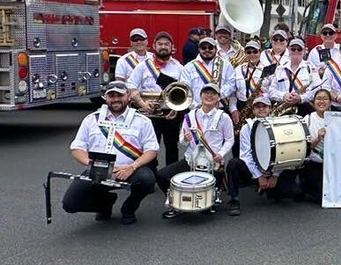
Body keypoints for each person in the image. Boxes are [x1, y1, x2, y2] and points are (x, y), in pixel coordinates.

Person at [62, 81, 158, 225]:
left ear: (128, 97)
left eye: (120, 95)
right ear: (105, 98)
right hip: (97, 169)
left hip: (128, 170)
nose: (115, 99)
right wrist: (92, 164)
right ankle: (105, 203)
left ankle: (129, 208)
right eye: (111, 95)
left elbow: (152, 150)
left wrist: (132, 166)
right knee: (70, 204)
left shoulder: (142, 121)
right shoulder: (91, 119)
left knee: (147, 179)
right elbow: (77, 148)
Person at [158, 83, 234, 218]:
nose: (209, 96)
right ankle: (175, 201)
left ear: (218, 98)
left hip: (213, 162)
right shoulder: (190, 116)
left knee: (207, 206)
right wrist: (186, 139)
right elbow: (181, 141)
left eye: (213, 94)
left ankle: (216, 190)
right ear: (200, 96)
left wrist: (220, 154)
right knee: (161, 176)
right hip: (191, 159)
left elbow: (229, 140)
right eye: (206, 93)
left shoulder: (224, 117)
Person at [225, 96, 297, 216]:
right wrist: (259, 176)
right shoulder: (246, 128)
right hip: (254, 171)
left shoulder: (279, 125)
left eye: (264, 106)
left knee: (295, 193)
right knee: (234, 163)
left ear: (270, 109)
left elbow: (284, 152)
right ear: (253, 110)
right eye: (258, 107)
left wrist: (275, 175)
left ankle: (272, 190)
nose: (261, 109)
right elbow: (246, 155)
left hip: (274, 168)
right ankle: (234, 200)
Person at [127, 31, 185, 165]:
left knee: (172, 147)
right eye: (160, 44)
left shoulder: (179, 68)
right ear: (154, 45)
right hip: (148, 113)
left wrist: (176, 109)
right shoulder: (143, 66)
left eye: (166, 44)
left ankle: (169, 177)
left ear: (172, 47)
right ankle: (150, 176)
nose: (163, 46)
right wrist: (142, 104)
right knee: (150, 147)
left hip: (171, 113)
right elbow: (131, 84)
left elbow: (184, 91)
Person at [179, 37, 238, 122]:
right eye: (203, 48)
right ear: (199, 49)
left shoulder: (226, 65)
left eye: (210, 47)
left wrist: (215, 97)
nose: (207, 50)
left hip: (220, 110)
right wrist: (197, 107)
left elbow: (231, 85)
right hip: (195, 111)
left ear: (216, 48)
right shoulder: (189, 67)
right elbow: (186, 89)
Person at [268, 38, 319, 116]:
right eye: (293, 49)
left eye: (299, 49)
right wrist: (283, 96)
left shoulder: (311, 68)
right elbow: (271, 91)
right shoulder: (280, 68)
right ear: (288, 50)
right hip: (282, 109)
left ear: (304, 51)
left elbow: (316, 90)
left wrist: (301, 98)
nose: (296, 51)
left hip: (304, 109)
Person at [300, 89, 332, 201]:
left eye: (325, 99)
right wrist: (318, 138)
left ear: (330, 102)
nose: (321, 102)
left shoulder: (338, 119)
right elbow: (305, 148)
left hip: (333, 164)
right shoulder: (307, 119)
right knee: (321, 197)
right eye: (318, 99)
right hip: (315, 162)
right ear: (313, 102)